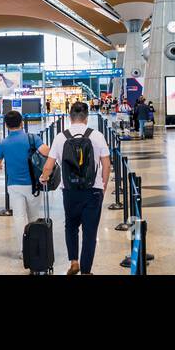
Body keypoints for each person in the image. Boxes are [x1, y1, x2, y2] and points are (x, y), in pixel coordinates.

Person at [37, 101, 111, 275]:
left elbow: (49, 165)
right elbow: (106, 165)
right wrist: (103, 187)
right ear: (86, 117)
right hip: (93, 190)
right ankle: (86, 271)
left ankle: (74, 263)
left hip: (70, 191)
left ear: (70, 117)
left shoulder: (61, 137)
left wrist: (44, 177)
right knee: (90, 232)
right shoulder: (97, 136)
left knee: (70, 226)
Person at [0, 109, 51, 259]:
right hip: (33, 185)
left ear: (6, 125)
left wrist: (0, 165)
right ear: (22, 122)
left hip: (14, 185)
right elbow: (48, 152)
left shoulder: (2, 144)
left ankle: (23, 250)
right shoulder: (33, 138)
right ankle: (35, 249)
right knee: (33, 217)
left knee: (19, 218)